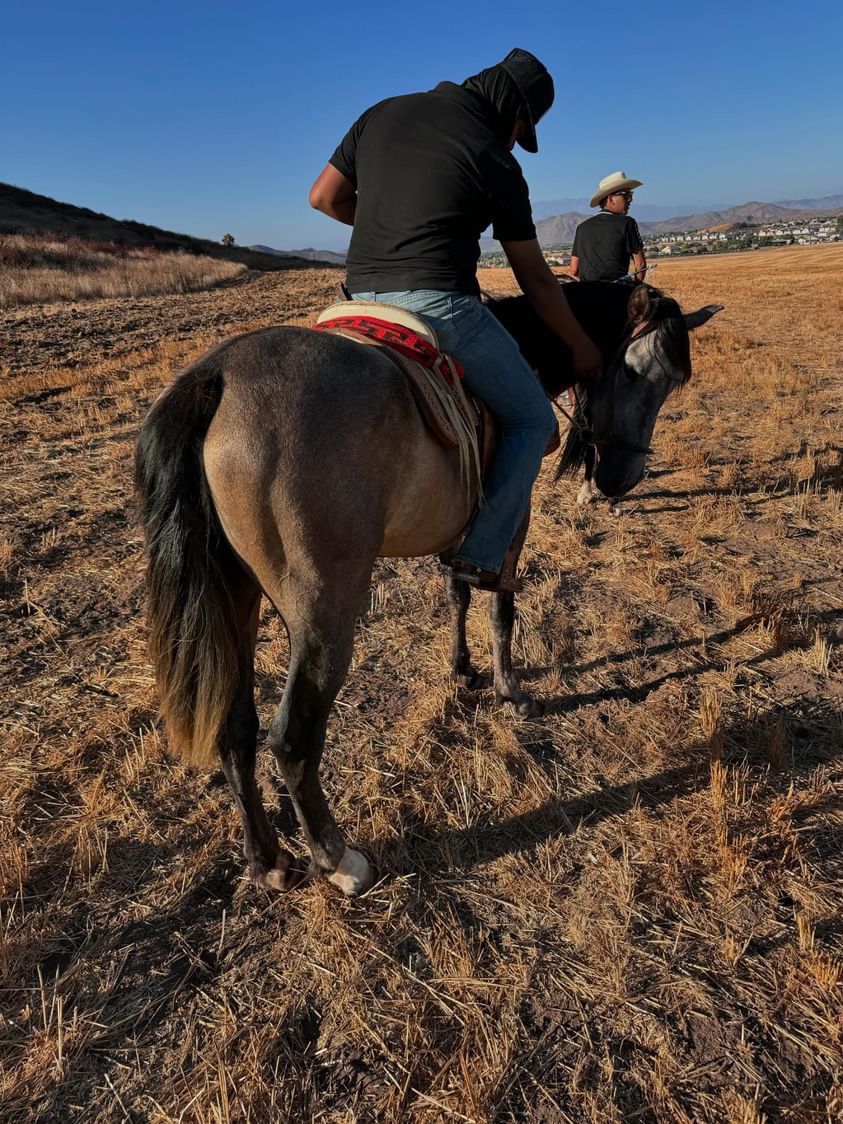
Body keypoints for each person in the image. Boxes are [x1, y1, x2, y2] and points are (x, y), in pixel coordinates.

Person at [309, 49, 601, 591]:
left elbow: (323, 197)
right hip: (438, 306)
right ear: (511, 109)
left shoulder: (380, 112)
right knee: (534, 421)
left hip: (355, 300)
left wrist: (386, 226)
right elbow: (536, 278)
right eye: (520, 128)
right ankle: (483, 552)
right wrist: (580, 347)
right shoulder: (495, 158)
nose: (516, 141)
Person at [569, 171, 646, 283]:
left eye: (631, 195)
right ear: (610, 199)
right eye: (626, 195)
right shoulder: (627, 223)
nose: (630, 199)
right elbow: (641, 265)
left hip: (586, 294)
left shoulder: (581, 227)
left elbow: (574, 269)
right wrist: (635, 290)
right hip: (616, 293)